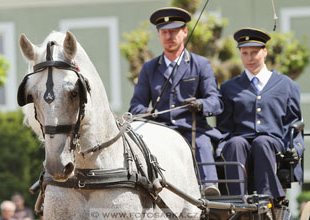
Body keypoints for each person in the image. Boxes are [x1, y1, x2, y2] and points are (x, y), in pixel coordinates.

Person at [129, 7, 223, 196]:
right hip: (161, 131)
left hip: (193, 129)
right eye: (164, 32)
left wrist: (201, 104)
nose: (169, 36)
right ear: (158, 35)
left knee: (203, 142)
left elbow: (216, 102)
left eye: (173, 31)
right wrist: (148, 112)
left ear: (185, 32)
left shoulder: (200, 64)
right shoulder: (149, 68)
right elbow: (135, 106)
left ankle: (209, 187)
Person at [216, 27, 304, 204]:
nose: (249, 58)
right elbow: (224, 127)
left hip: (273, 144)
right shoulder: (228, 88)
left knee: (262, 142)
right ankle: (237, 201)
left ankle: (268, 199)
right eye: (245, 53)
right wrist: (220, 146)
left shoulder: (287, 85)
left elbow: (295, 122)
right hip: (240, 143)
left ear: (265, 51)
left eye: (254, 52)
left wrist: (297, 148)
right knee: (234, 143)